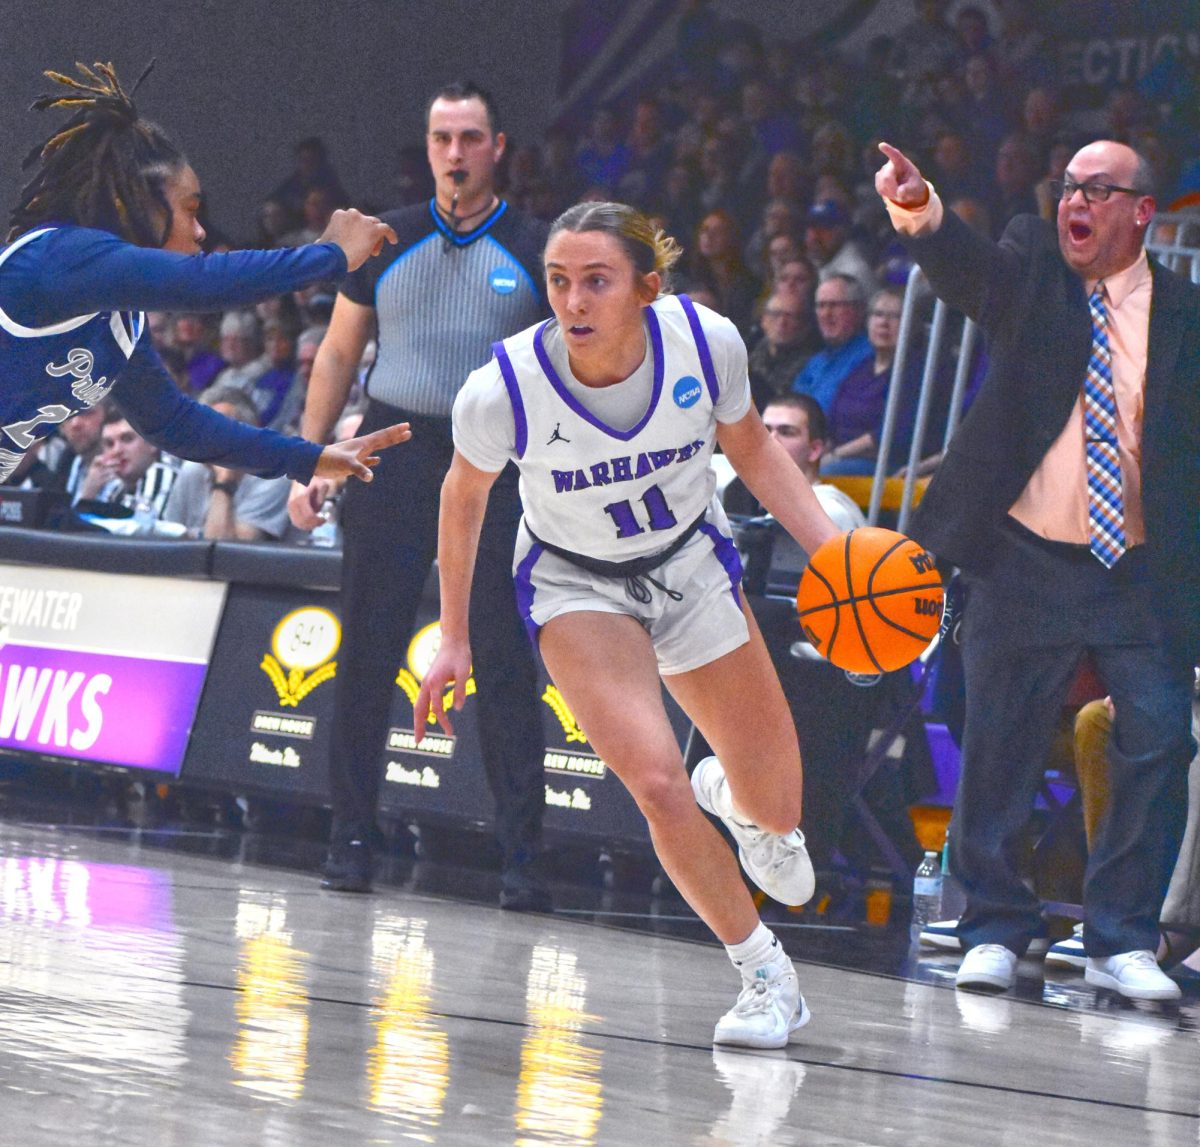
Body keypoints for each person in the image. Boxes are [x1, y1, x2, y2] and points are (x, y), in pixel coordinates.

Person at [413, 201, 842, 1049]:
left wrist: (836, 551)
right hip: (577, 584)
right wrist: (453, 634)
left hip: (690, 562)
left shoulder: (705, 341)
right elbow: (462, 499)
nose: (573, 301)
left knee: (780, 806)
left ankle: (740, 801)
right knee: (653, 781)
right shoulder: (503, 388)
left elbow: (752, 448)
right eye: (560, 281)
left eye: (597, 281)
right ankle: (763, 973)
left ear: (647, 287)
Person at [875, 138, 1200, 1000]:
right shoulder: (1031, 266)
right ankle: (993, 923)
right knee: (999, 741)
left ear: (1141, 211)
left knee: (1162, 735)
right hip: (1020, 552)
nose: (1073, 202)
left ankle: (1122, 936)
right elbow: (969, 272)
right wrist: (923, 212)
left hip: (1134, 568)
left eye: (1097, 190)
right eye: (1067, 186)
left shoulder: (1188, 314)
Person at [287, 81, 552, 909]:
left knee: (506, 661)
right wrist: (311, 458)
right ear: (428, 144)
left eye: (471, 137)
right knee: (365, 655)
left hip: (498, 464)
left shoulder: (537, 247)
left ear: (497, 147)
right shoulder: (386, 238)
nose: (455, 153)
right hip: (393, 452)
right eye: (442, 137)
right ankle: (351, 838)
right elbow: (336, 353)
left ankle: (522, 858)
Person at [0, 61, 409, 503]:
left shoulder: (119, 320)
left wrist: (306, 458)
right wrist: (328, 255)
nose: (200, 232)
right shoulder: (56, 256)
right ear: (141, 204)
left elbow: (175, 424)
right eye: (191, 210)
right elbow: (200, 284)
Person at [162, 387, 292, 540]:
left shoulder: (275, 477)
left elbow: (227, 554)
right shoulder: (192, 470)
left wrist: (224, 482)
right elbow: (167, 540)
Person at [791, 274, 873, 413]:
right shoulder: (815, 362)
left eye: (834, 305)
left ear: (858, 309)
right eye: (821, 306)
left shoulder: (870, 358)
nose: (826, 314)